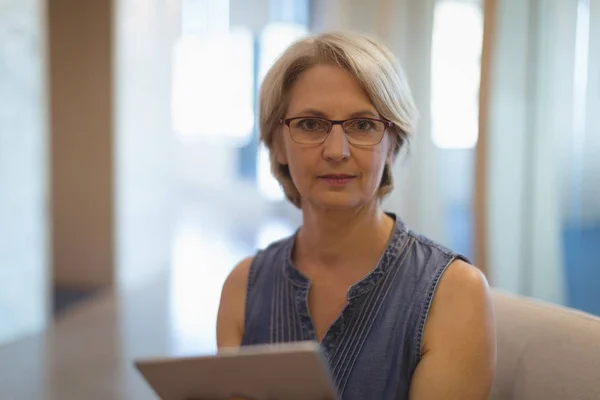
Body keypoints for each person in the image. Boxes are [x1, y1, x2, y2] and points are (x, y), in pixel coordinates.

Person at [216, 31, 496, 400]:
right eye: (311, 124)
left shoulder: (456, 293)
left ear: (392, 142)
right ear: (278, 142)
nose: (336, 150)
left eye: (363, 124)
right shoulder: (243, 287)